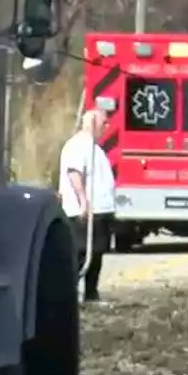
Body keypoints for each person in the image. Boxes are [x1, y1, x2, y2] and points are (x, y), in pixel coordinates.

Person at [59, 109, 116, 303]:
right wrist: (83, 201)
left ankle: (91, 294)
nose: (107, 127)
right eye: (104, 123)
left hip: (100, 211)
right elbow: (74, 173)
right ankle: (69, 295)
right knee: (81, 254)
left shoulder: (95, 147)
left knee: (96, 253)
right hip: (84, 212)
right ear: (92, 123)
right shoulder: (79, 146)